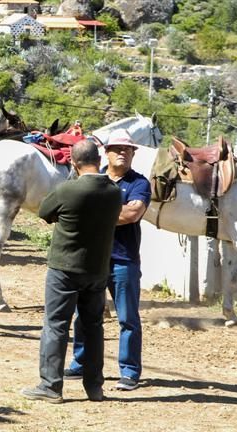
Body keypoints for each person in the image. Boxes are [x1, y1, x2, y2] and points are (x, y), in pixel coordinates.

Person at [20, 139, 122, 403]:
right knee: (93, 327)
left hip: (64, 269)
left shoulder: (68, 189)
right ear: (99, 161)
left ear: (74, 164)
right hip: (97, 270)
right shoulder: (114, 192)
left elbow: (44, 211)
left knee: (56, 325)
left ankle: (51, 386)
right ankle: (95, 387)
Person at [65, 129, 151, 391]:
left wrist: (94, 215)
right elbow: (76, 206)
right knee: (85, 315)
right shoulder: (95, 178)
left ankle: (129, 371)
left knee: (127, 318)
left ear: (134, 153)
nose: (122, 152)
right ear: (106, 152)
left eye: (127, 149)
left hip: (123, 260)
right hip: (93, 259)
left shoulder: (140, 183)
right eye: (116, 148)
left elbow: (133, 213)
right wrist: (111, 212)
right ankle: (80, 362)